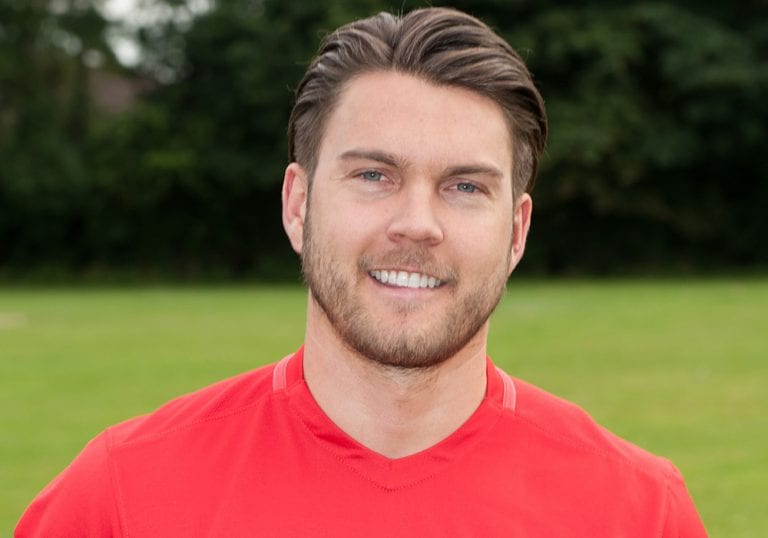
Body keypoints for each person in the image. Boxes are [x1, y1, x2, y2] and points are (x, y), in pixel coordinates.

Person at [16, 7, 707, 537]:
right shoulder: (124, 497)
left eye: (465, 186)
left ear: (518, 231)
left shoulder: (636, 510)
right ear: (297, 204)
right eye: (374, 175)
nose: (417, 222)